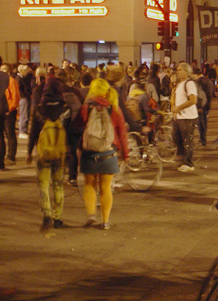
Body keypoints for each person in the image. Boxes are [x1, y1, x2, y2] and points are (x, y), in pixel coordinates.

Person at [80, 78, 129, 230]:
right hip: (109, 152)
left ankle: (91, 215)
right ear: (107, 91)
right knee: (106, 187)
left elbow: (79, 128)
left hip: (89, 152)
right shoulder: (114, 108)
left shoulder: (86, 107)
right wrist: (125, 154)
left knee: (89, 184)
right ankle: (105, 221)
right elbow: (122, 133)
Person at [25, 78, 74, 233]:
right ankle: (57, 217)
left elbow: (33, 132)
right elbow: (70, 132)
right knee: (58, 185)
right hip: (59, 152)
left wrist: (29, 151)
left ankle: (46, 214)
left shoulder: (38, 109)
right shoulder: (66, 109)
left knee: (43, 185)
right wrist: (71, 150)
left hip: (43, 152)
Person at [171, 62, 199, 172]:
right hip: (180, 117)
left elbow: (193, 100)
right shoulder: (179, 84)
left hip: (188, 117)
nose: (177, 72)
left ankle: (189, 163)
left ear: (186, 71)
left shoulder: (189, 83)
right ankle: (183, 160)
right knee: (177, 139)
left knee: (187, 141)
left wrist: (179, 108)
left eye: (180, 70)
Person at [1, 63, 20, 166]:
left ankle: (11, 156)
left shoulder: (12, 81)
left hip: (9, 112)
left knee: (10, 134)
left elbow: (15, 98)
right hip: (1, 111)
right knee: (2, 136)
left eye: (4, 70)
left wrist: (9, 109)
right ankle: (2, 157)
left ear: (8, 71)